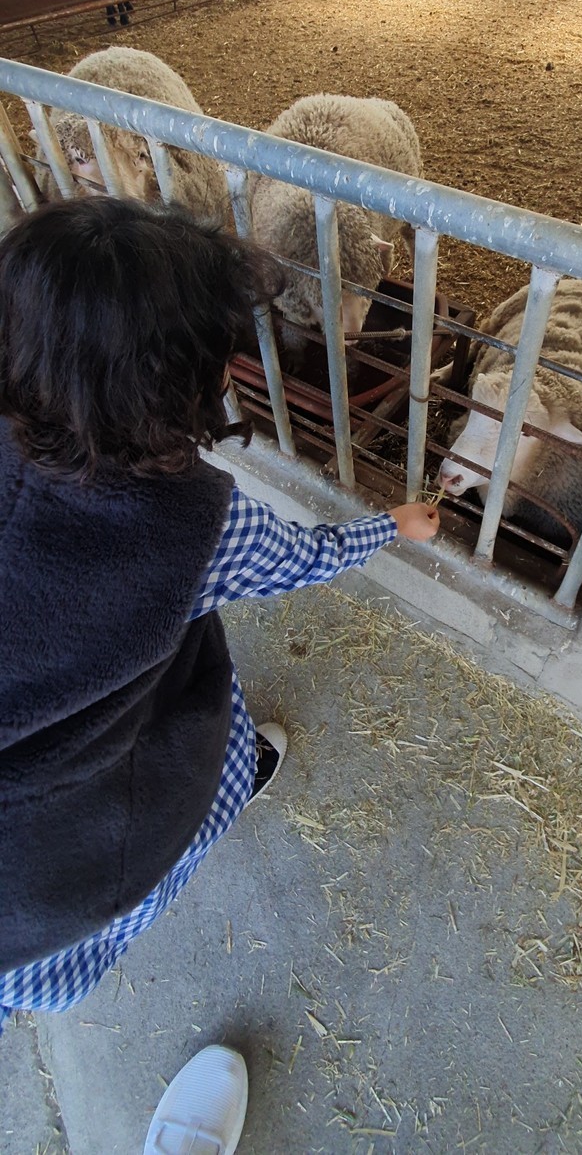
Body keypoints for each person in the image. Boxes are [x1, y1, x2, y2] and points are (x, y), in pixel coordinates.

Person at [0, 197, 439, 1033]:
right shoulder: (197, 525)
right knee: (181, 786)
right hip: (56, 859)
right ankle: (237, 783)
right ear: (181, 382)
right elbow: (305, 558)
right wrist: (391, 525)